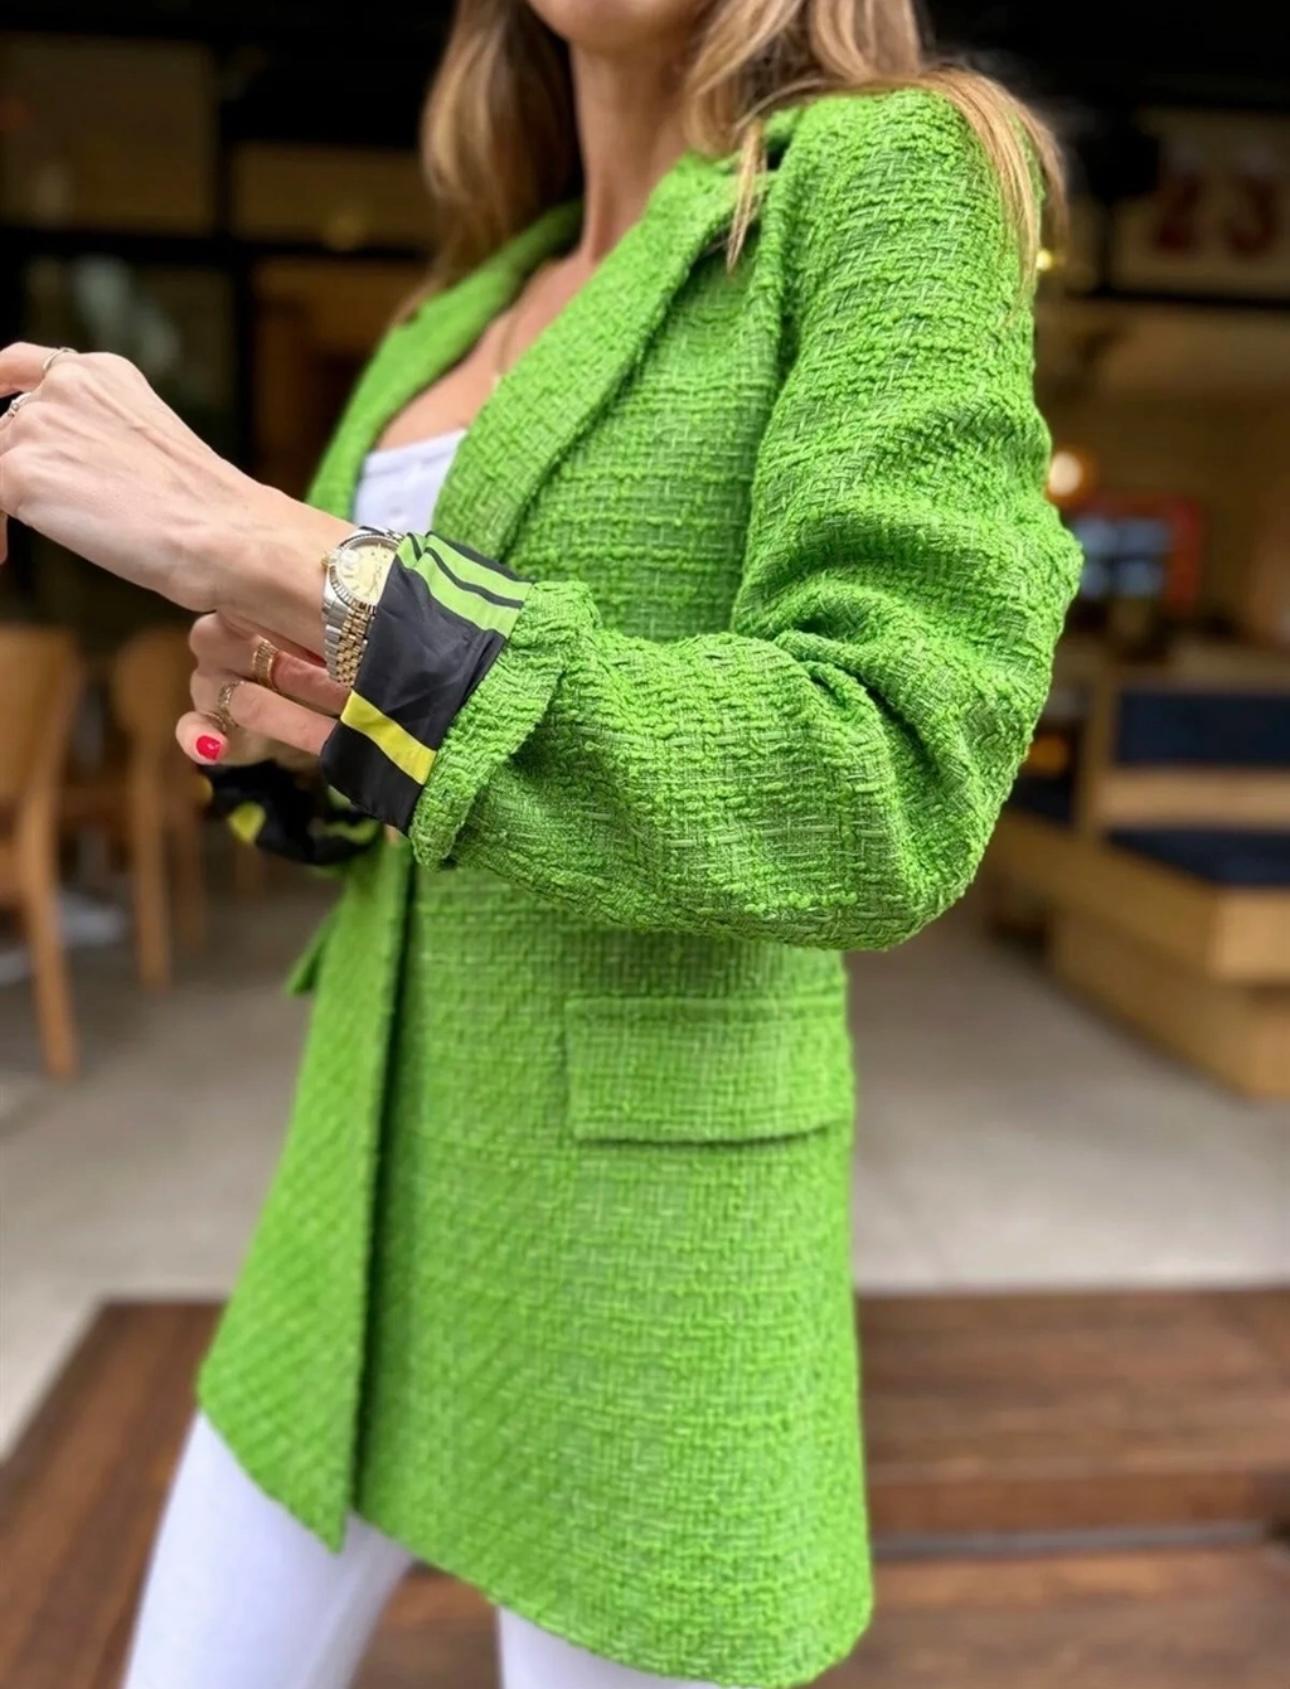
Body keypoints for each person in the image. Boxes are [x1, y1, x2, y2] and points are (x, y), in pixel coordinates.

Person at [0, 2, 1082, 1685]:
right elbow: (385, 735)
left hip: (637, 1258)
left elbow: (886, 770)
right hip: (350, 1208)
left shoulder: (881, 176)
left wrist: (274, 550)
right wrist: (292, 734)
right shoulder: (461, 301)